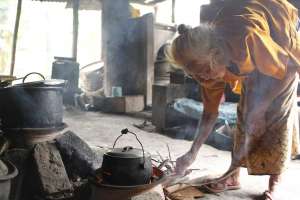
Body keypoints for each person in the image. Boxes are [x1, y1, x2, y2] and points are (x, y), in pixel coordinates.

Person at [167, 0, 300, 199]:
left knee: (276, 112)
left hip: (277, 29)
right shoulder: (205, 68)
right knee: (245, 114)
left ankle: (275, 182)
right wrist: (191, 153)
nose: (203, 78)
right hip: (244, 48)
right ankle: (233, 175)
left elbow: (289, 70)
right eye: (196, 75)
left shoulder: (248, 39)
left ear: (216, 55)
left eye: (205, 71)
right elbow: (210, 113)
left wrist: (261, 109)